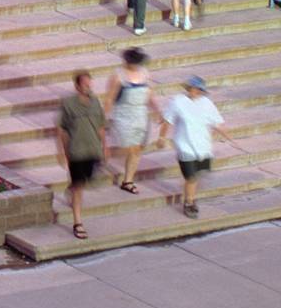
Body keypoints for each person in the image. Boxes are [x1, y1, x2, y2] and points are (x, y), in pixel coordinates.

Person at [159, 75, 225, 218]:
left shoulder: (206, 103)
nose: (198, 92)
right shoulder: (177, 101)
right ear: (190, 89)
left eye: (200, 90)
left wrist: (224, 132)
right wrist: (162, 137)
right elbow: (167, 121)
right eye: (196, 89)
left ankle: (189, 193)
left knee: (199, 175)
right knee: (192, 177)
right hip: (185, 146)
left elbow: (216, 121)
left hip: (203, 146)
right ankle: (189, 202)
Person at [55, 71, 107, 241]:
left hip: (93, 150)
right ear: (77, 86)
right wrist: (62, 151)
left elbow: (101, 126)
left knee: (85, 181)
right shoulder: (69, 104)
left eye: (90, 83)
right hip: (76, 151)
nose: (88, 87)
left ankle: (71, 189)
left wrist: (105, 147)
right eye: (85, 84)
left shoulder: (95, 102)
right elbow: (62, 129)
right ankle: (78, 223)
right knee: (79, 187)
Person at [103, 47, 158, 196]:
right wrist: (104, 117)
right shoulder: (118, 76)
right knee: (127, 147)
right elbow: (109, 98)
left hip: (140, 114)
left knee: (137, 148)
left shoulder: (145, 73)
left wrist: (157, 110)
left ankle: (128, 180)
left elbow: (149, 94)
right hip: (123, 114)